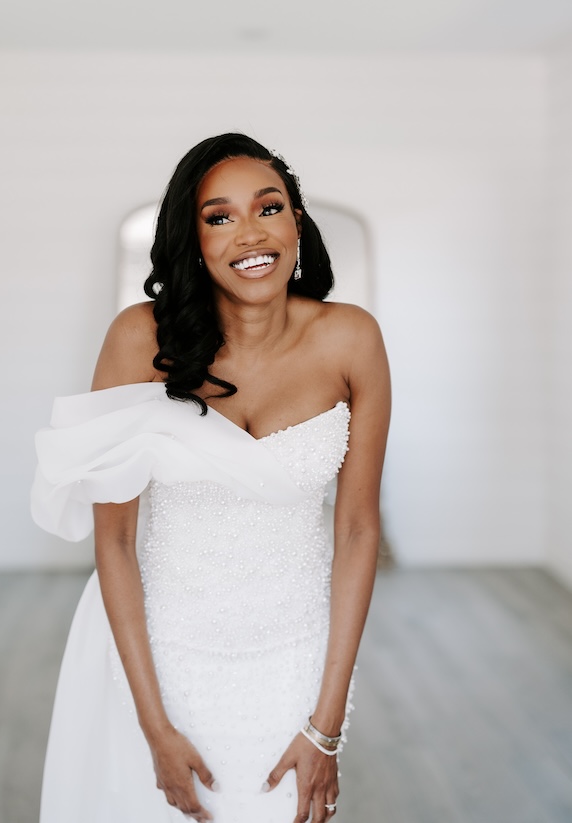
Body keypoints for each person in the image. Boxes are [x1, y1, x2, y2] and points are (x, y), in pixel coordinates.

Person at [31, 133, 391, 823]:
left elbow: (356, 529)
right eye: (218, 216)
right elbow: (114, 538)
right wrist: (154, 725)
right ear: (192, 240)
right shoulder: (141, 339)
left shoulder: (353, 339)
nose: (249, 233)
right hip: (158, 661)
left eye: (269, 207)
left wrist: (326, 724)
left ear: (297, 222)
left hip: (293, 663)